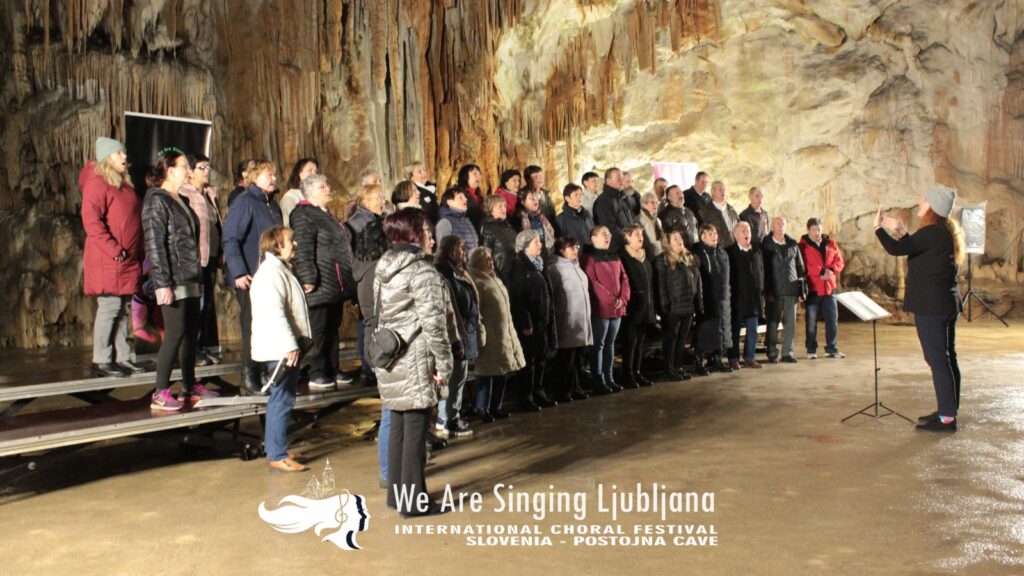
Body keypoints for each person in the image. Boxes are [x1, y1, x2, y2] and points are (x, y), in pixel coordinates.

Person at [374, 208, 452, 516]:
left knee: (400, 428)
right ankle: (415, 503)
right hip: (417, 355)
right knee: (416, 431)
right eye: (427, 231)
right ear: (414, 235)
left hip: (391, 354)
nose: (432, 238)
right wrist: (445, 364)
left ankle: (397, 496)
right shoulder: (422, 271)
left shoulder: (384, 265)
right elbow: (434, 323)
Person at [874, 186, 964, 432]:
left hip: (932, 306)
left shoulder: (932, 231)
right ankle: (948, 410)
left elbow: (896, 250)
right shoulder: (940, 232)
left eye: (924, 200)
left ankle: (947, 417)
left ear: (933, 207)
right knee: (947, 358)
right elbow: (915, 247)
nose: (920, 201)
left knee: (937, 360)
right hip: (945, 303)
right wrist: (903, 233)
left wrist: (878, 229)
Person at [142, 150, 216, 410]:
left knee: (190, 333)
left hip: (190, 274)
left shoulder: (181, 198)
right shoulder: (156, 200)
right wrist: (162, 283)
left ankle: (188, 385)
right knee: (174, 333)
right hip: (173, 277)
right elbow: (155, 244)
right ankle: (160, 391)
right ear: (170, 170)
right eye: (184, 166)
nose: (189, 170)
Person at [80, 137, 145, 378]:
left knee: (123, 308)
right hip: (110, 258)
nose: (124, 158)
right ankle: (101, 358)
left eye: (123, 154)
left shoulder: (122, 184)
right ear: (107, 157)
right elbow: (92, 222)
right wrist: (114, 249)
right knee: (110, 307)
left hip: (127, 258)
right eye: (119, 154)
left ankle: (122, 356)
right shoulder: (97, 183)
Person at [250, 226, 312, 472]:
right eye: (290, 240)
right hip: (279, 347)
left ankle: (278, 447)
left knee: (285, 397)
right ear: (276, 246)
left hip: (282, 345)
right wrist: (289, 344)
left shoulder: (280, 269)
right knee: (281, 399)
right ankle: (276, 454)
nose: (294, 244)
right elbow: (274, 312)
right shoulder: (270, 274)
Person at [222, 159, 283, 392]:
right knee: (251, 326)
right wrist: (238, 271)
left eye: (274, 174)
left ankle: (266, 371)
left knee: (268, 324)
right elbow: (231, 237)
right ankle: (249, 375)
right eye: (269, 174)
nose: (274, 179)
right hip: (251, 275)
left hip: (271, 276)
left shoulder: (271, 205)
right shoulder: (245, 202)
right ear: (254, 177)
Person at [290, 175, 352, 391]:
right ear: (310, 191)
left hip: (334, 281)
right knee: (319, 329)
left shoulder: (325, 214)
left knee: (332, 327)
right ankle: (317, 371)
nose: (328, 189)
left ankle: (332, 367)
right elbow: (304, 248)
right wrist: (308, 277)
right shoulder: (304, 214)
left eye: (327, 184)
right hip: (320, 281)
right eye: (322, 186)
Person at [467, 247, 524, 422]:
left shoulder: (494, 279)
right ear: (477, 263)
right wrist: (479, 336)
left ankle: (495, 406)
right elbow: (476, 312)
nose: (491, 261)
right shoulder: (477, 282)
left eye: (491, 258)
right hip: (489, 336)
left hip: (502, 335)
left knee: (501, 372)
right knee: (486, 374)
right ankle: (481, 407)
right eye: (487, 259)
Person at [434, 236, 481, 438]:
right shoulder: (445, 274)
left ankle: (447, 416)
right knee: (454, 379)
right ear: (452, 251)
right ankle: (450, 419)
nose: (464, 252)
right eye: (461, 248)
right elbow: (451, 308)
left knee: (457, 378)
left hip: (464, 331)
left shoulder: (456, 272)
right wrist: (457, 340)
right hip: (457, 334)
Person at [179, 153, 223, 366]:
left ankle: (201, 346)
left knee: (207, 305)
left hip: (212, 255)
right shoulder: (184, 194)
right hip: (196, 257)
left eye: (208, 166)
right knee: (198, 303)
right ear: (189, 171)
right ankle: (191, 349)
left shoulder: (209, 194)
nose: (207, 171)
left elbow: (215, 225)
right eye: (201, 167)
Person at [508, 229, 557, 411]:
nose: (541, 245)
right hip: (530, 324)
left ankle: (539, 391)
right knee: (529, 363)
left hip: (542, 320)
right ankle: (526, 396)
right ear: (526, 245)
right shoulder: (519, 266)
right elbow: (518, 298)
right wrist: (525, 323)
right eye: (537, 242)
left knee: (541, 359)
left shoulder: (539, 265)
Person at [347, 185, 389, 386]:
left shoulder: (374, 220)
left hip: (368, 271)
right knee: (370, 320)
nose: (382, 201)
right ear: (365, 201)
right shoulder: (359, 223)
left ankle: (371, 363)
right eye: (377, 197)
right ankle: (369, 364)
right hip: (366, 273)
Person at [581, 225, 629, 394]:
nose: (608, 236)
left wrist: (623, 299)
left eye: (609, 234)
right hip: (601, 308)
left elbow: (624, 278)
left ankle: (610, 377)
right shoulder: (589, 258)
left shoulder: (614, 255)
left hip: (617, 308)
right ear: (593, 238)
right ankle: (598, 379)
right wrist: (611, 300)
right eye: (603, 234)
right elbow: (593, 282)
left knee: (610, 344)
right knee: (599, 345)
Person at [546, 236, 593, 402]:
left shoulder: (577, 267)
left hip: (581, 322)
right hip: (566, 321)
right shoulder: (556, 269)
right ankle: (563, 390)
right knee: (566, 360)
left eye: (577, 247)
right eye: (571, 247)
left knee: (577, 359)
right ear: (561, 250)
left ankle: (575, 386)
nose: (575, 250)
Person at [654, 229, 701, 381]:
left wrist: (696, 303)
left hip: (687, 306)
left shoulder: (687, 258)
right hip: (672, 308)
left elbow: (695, 284)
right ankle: (669, 368)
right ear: (668, 242)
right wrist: (664, 306)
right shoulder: (663, 260)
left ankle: (678, 366)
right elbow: (660, 285)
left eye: (680, 237)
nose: (680, 240)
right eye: (675, 238)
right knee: (671, 338)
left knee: (682, 339)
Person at [799, 217, 846, 360]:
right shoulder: (803, 246)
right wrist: (820, 272)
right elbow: (803, 266)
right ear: (808, 231)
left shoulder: (831, 243)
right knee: (811, 321)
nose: (817, 233)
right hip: (814, 288)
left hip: (829, 288)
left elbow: (839, 261)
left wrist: (831, 270)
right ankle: (811, 349)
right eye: (813, 230)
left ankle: (831, 348)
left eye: (818, 229)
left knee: (832, 319)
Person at [761, 217, 805, 364]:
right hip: (774, 292)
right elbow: (763, 271)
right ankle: (772, 353)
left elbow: (800, 268)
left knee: (790, 325)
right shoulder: (766, 246)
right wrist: (767, 292)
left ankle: (787, 353)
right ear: (772, 227)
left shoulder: (793, 245)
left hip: (791, 290)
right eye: (777, 224)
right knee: (773, 324)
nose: (781, 226)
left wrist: (801, 290)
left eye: (783, 224)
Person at [620, 224, 656, 388]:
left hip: (646, 307)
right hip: (633, 307)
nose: (640, 237)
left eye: (641, 234)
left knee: (641, 342)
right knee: (630, 342)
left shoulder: (644, 256)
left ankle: (637, 372)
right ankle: (627, 374)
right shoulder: (624, 257)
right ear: (627, 237)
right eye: (636, 234)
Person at [693, 224, 732, 374]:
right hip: (707, 297)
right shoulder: (699, 253)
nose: (714, 236)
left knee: (721, 330)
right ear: (703, 236)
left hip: (722, 297)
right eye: (710, 234)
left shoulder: (722, 254)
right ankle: (699, 360)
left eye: (715, 233)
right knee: (704, 330)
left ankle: (717, 359)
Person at [727, 222, 765, 371]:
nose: (746, 232)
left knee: (753, 330)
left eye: (748, 230)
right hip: (737, 298)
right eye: (743, 230)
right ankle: (733, 358)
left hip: (754, 298)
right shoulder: (729, 252)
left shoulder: (757, 251)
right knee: (735, 330)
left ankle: (750, 357)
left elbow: (762, 272)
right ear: (735, 235)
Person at [479, 194, 518, 285]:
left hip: (514, 275)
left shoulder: (508, 226)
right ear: (490, 209)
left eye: (504, 205)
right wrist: (496, 277)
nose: (504, 209)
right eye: (499, 206)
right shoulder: (487, 228)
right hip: (501, 277)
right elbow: (486, 254)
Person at [593, 167, 635, 251]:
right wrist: (628, 238)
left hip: (629, 246)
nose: (621, 181)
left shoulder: (622, 199)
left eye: (622, 178)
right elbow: (609, 227)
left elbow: (631, 221)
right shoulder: (603, 202)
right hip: (617, 249)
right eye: (617, 178)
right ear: (608, 181)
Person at [435, 187, 479, 252]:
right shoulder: (445, 222)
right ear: (450, 202)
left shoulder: (466, 220)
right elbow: (444, 251)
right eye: (460, 198)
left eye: (465, 197)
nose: (466, 199)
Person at [698, 181, 740, 249]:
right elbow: (703, 232)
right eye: (720, 189)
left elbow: (739, 227)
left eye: (724, 190)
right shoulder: (705, 211)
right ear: (713, 192)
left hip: (734, 248)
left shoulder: (731, 210)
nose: (723, 192)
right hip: (718, 249)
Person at [514, 190, 556, 257]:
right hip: (530, 256)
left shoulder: (542, 216)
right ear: (522, 202)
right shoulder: (518, 219)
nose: (535, 200)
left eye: (536, 197)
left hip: (547, 253)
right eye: (531, 198)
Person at [279, 158, 318, 227]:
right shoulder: (290, 198)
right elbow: (287, 227)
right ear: (299, 173)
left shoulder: (315, 198)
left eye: (315, 171)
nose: (314, 174)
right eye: (310, 170)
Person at [456, 163, 485, 232]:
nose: (478, 176)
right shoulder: (458, 194)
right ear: (465, 176)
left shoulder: (479, 195)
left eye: (479, 174)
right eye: (475, 174)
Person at [638, 192, 663, 258]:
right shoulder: (639, 219)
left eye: (657, 202)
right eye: (652, 202)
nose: (656, 205)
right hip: (649, 255)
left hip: (661, 253)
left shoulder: (657, 220)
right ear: (644, 204)